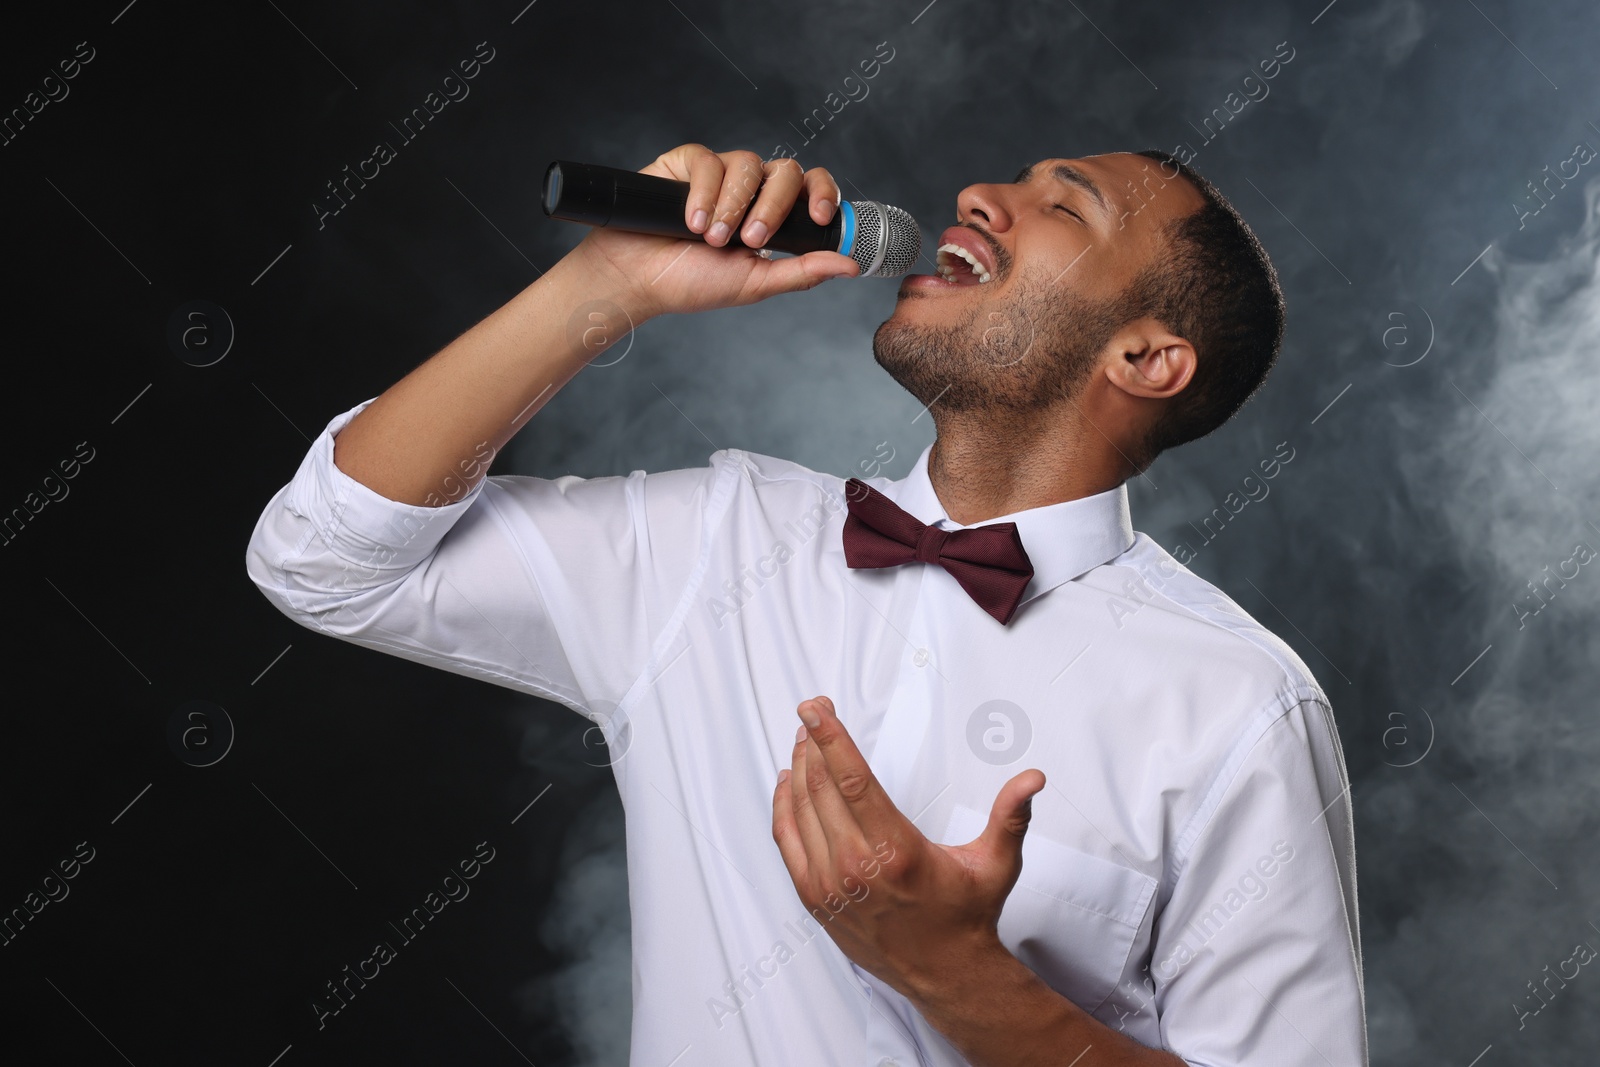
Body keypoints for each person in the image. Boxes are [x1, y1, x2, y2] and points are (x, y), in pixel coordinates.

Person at [246, 144, 1365, 1066]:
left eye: (1062, 205)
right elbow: (325, 560)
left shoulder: (1239, 703)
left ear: (1147, 357)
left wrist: (955, 969)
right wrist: (605, 290)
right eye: (1009, 182)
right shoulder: (719, 542)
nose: (982, 193)